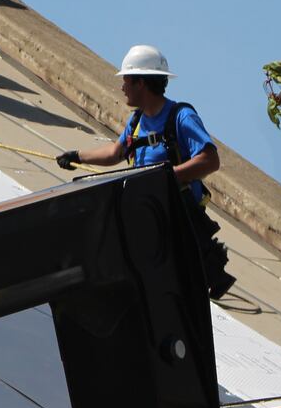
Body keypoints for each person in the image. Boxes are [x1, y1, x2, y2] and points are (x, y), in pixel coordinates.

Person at [56, 45, 238, 299]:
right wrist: (76, 156)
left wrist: (167, 177)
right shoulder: (137, 121)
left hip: (175, 215)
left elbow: (210, 160)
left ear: (141, 83)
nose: (122, 87)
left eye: (126, 80)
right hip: (147, 212)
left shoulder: (181, 117)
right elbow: (115, 153)